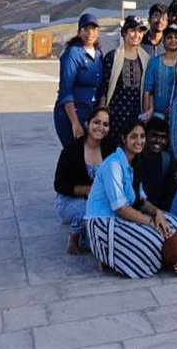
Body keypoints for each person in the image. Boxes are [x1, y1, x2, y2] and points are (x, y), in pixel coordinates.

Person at [84, 123, 177, 278]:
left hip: (122, 218)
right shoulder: (114, 164)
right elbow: (120, 209)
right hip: (104, 223)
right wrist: (150, 222)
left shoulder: (133, 163)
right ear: (124, 138)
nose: (139, 141)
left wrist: (158, 213)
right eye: (134, 136)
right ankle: (109, 257)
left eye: (142, 136)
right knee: (154, 241)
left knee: (172, 222)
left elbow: (141, 201)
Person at [54, 106, 114, 254]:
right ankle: (74, 236)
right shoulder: (71, 150)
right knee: (90, 210)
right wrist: (85, 190)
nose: (100, 127)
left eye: (105, 124)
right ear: (87, 124)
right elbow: (59, 185)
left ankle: (89, 237)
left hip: (99, 200)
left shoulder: (110, 150)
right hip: (70, 200)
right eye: (96, 122)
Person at [54, 13, 103, 147]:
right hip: (72, 112)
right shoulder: (72, 54)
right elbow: (66, 91)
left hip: (90, 111)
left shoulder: (98, 54)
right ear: (79, 31)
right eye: (85, 29)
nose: (90, 33)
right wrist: (75, 123)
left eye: (94, 29)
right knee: (73, 156)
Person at [98, 16, 149, 136]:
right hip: (114, 119)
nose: (136, 35)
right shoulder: (112, 57)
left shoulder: (146, 59)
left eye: (140, 31)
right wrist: (102, 115)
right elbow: (104, 88)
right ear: (124, 33)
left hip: (136, 118)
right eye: (132, 31)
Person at [142, 24, 177, 122]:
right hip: (156, 117)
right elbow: (147, 90)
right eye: (169, 37)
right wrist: (146, 115)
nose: (173, 40)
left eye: (176, 37)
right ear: (163, 41)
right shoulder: (154, 62)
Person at [138, 117, 177, 211]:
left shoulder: (166, 161)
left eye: (163, 137)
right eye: (154, 135)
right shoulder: (135, 158)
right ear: (146, 136)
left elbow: (168, 195)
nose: (158, 141)